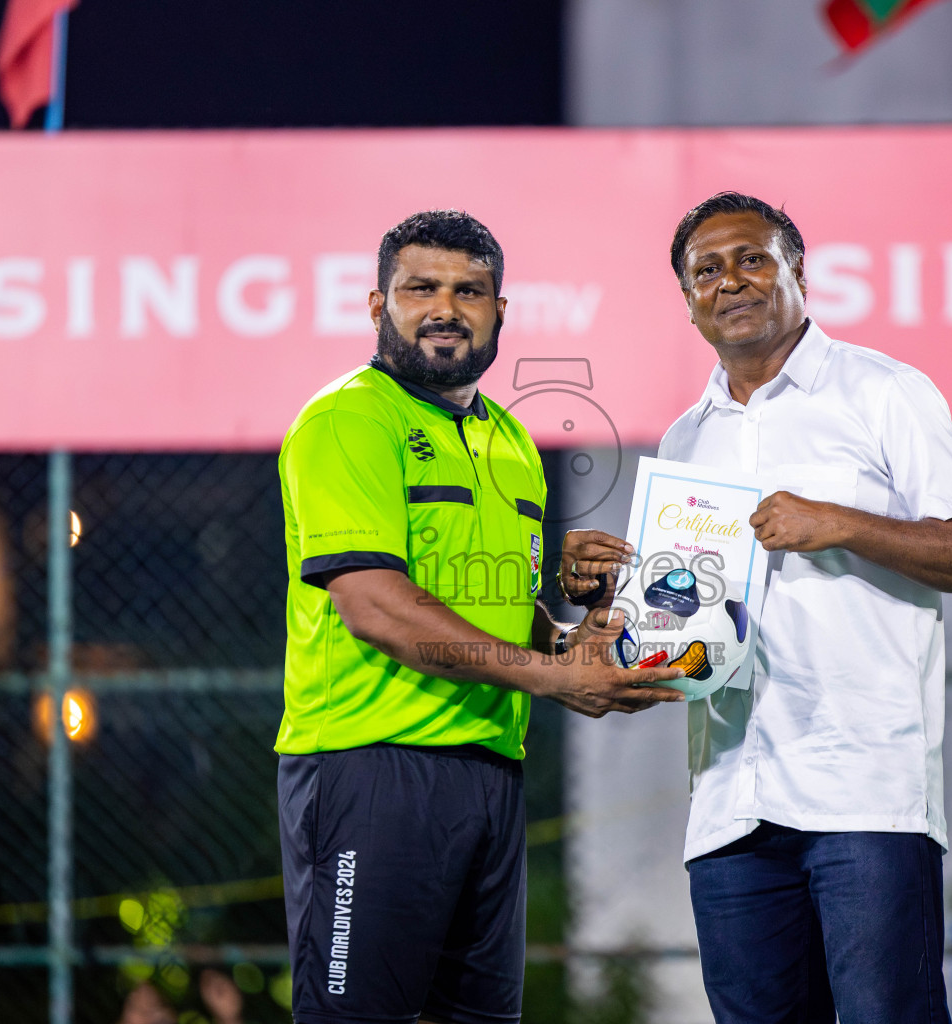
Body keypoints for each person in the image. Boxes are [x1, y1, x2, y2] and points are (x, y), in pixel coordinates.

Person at [562, 192, 952, 1024]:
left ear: (798, 273)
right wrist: (605, 601)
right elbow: (685, 625)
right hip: (732, 801)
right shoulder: (686, 438)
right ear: (689, 304)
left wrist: (836, 523)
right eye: (706, 271)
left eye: (752, 258)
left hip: (864, 793)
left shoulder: (883, 392)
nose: (730, 280)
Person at [277, 209, 684, 1024]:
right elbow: (376, 607)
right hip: (370, 765)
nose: (445, 308)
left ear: (502, 312)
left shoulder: (510, 440)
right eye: (419, 287)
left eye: (470, 291)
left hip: (490, 773)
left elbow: (503, 605)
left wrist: (577, 638)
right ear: (374, 306)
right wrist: (554, 677)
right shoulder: (348, 419)